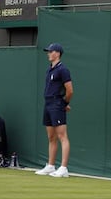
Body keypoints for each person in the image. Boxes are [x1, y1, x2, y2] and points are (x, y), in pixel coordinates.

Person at [35, 43, 73, 177]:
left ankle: (63, 168)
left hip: (57, 103)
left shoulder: (63, 70)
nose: (48, 54)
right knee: (51, 137)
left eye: (50, 51)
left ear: (57, 53)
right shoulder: (49, 70)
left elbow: (70, 90)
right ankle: (51, 166)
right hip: (48, 103)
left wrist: (64, 103)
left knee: (62, 136)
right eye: (48, 52)